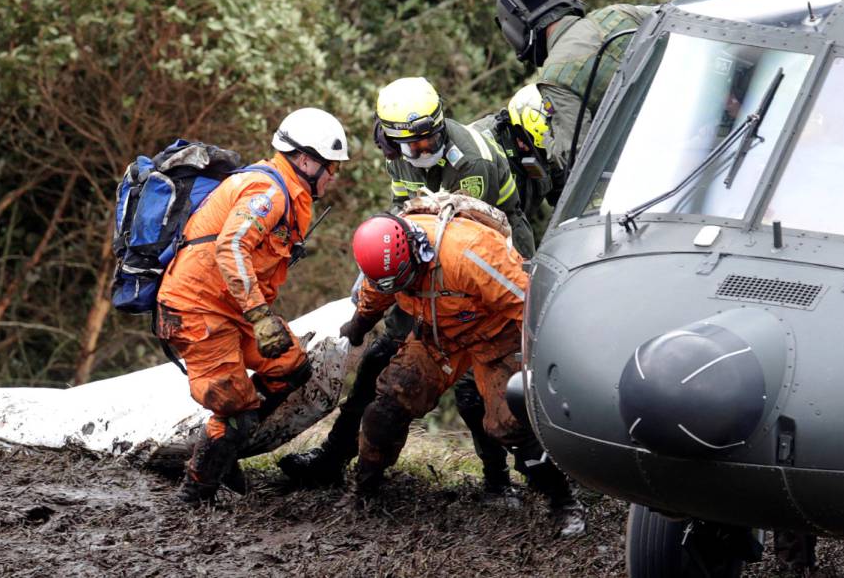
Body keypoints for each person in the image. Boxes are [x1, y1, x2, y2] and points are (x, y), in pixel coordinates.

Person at [278, 77, 537, 501]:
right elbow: (409, 212)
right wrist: (375, 280)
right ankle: (334, 457)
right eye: (410, 145)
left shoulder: (471, 163)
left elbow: (462, 242)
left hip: (485, 256)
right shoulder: (395, 153)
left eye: (428, 140)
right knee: (381, 361)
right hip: (426, 250)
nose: (420, 151)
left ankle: (499, 481)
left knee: (476, 384)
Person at [340, 209, 585, 536]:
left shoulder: (470, 254)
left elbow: (531, 305)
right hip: (438, 335)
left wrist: (555, 356)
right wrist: (358, 326)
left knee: (509, 421)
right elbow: (375, 296)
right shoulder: (385, 268)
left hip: (496, 335)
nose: (404, 287)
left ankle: (563, 502)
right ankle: (365, 491)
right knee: (388, 405)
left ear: (416, 253)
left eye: (406, 279)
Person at [155, 107, 349, 505]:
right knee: (237, 415)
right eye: (331, 167)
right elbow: (231, 247)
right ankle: (195, 494)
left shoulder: (290, 193)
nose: (334, 175)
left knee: (291, 368)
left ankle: (223, 448)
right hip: (197, 311)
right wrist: (260, 316)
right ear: (306, 160)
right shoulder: (269, 193)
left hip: (234, 309)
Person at [496, 0, 656, 179]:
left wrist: (546, 140)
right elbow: (686, 15)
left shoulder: (555, 78)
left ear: (516, 32)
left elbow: (579, 160)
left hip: (656, 159)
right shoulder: (621, 13)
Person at [470, 84, 562, 232]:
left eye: (539, 149)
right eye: (525, 140)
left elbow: (563, 194)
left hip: (516, 230)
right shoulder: (481, 146)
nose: (526, 147)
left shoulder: (548, 147)